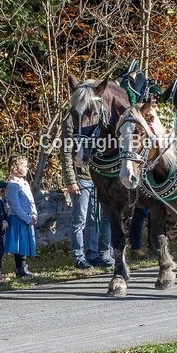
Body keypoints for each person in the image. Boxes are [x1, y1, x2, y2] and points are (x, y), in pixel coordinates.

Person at [61, 115, 112, 269]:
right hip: (81, 177)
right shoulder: (71, 120)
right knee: (79, 219)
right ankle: (79, 256)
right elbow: (65, 153)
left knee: (95, 218)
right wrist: (71, 180)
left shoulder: (100, 118)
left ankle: (94, 254)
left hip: (99, 176)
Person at [5, 157, 37, 278]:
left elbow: (31, 200)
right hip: (18, 219)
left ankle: (24, 267)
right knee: (19, 244)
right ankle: (20, 268)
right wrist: (26, 218)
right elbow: (15, 205)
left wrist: (34, 214)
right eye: (24, 166)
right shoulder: (13, 184)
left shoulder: (24, 182)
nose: (27, 168)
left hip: (27, 218)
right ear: (15, 168)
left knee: (25, 243)